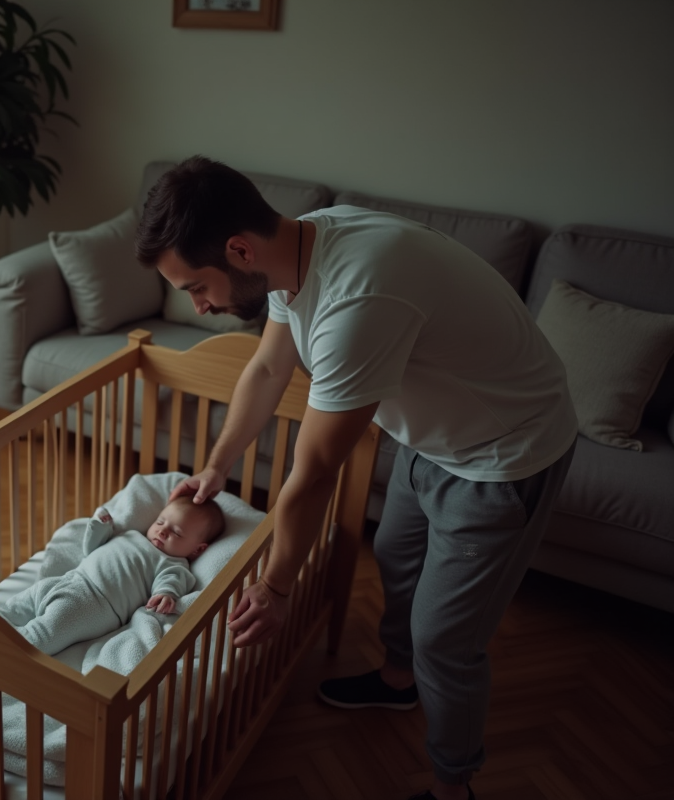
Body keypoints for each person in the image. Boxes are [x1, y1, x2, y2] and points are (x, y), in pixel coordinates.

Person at [135, 156, 576, 800]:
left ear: (239, 249)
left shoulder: (359, 294)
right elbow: (265, 371)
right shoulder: (295, 249)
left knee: (445, 641)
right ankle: (399, 682)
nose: (199, 306)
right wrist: (217, 464)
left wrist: (278, 587)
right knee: (395, 555)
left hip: (504, 455)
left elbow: (313, 474)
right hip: (433, 436)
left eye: (196, 287)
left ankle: (455, 784)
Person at [1, 497, 225, 656]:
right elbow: (91, 548)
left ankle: (4, 654)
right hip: (70, 578)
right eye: (160, 521)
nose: (162, 531)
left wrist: (166, 594)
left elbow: (170, 582)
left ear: (198, 549)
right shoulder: (132, 535)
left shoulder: (174, 564)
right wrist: (100, 526)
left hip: (94, 605)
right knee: (16, 606)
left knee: (45, 634)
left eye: (176, 532)